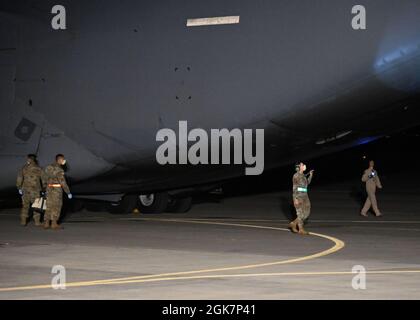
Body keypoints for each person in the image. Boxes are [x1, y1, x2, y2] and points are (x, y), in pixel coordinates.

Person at [42, 154, 72, 230]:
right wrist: (68, 192)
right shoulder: (59, 169)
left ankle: (46, 223)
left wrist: (44, 188)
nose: (64, 161)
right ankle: (54, 224)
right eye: (63, 159)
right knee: (57, 206)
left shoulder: (48, 167)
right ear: (59, 159)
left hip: (49, 189)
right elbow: (63, 182)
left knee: (49, 206)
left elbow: (44, 178)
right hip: (56, 190)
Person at [16, 154, 43, 226]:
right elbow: (43, 179)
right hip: (35, 191)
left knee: (25, 206)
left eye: (27, 159)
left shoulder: (24, 168)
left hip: (25, 190)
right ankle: (37, 222)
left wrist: (19, 187)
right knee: (36, 206)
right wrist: (44, 188)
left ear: (29, 159)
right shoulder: (39, 168)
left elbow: (19, 178)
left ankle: (23, 221)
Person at [289, 162, 314, 235]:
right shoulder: (296, 175)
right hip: (299, 196)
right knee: (300, 213)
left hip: (305, 196)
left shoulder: (303, 175)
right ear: (299, 167)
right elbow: (294, 188)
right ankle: (301, 229)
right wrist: (295, 198)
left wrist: (310, 175)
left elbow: (307, 183)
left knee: (306, 212)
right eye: (302, 165)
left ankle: (293, 223)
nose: (304, 166)